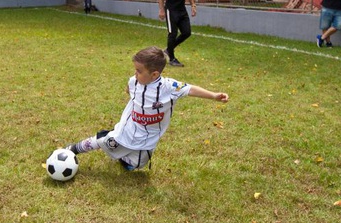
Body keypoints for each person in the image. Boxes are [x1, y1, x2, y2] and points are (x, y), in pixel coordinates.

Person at [64, 46, 229, 170]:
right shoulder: (133, 81)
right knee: (103, 141)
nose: (135, 74)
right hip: (128, 130)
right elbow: (129, 89)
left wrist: (214, 95)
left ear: (154, 74)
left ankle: (126, 156)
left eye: (139, 71)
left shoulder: (169, 87)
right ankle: (74, 148)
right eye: (135, 70)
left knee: (136, 165)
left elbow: (191, 89)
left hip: (148, 138)